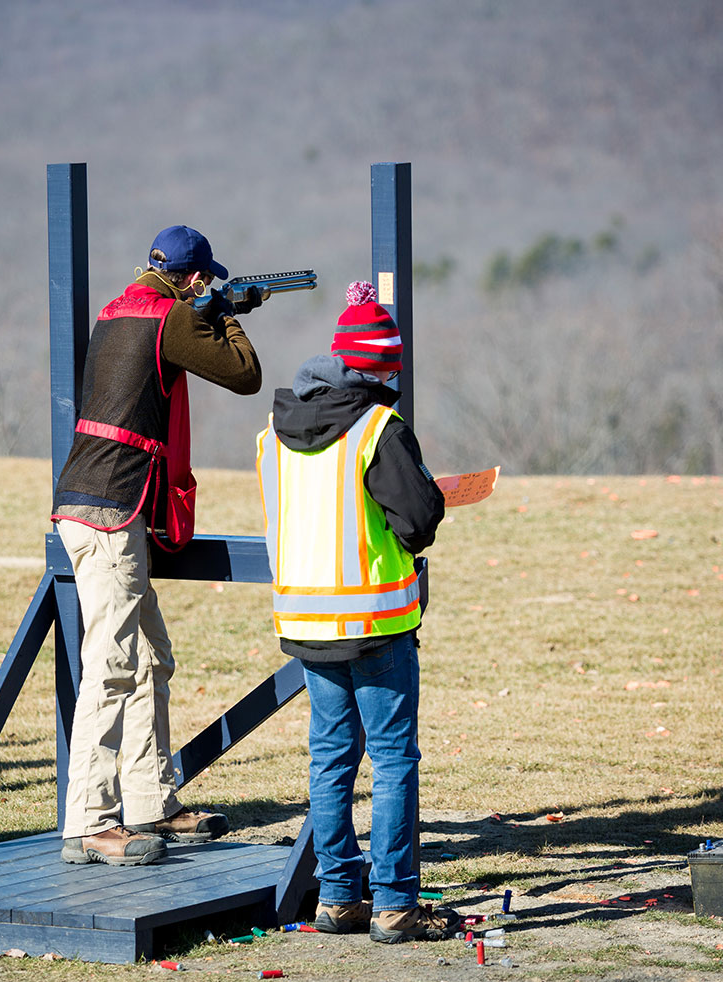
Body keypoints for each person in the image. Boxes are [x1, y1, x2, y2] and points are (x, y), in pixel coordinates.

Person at [52, 226, 260, 866]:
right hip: (113, 509)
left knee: (150, 658)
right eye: (207, 282)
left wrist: (210, 309)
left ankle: (150, 800)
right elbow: (246, 374)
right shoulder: (172, 319)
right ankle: (91, 820)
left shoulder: (118, 312)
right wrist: (225, 318)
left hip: (99, 502)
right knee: (113, 665)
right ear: (194, 279)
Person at [255, 281, 455, 943]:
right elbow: (416, 523)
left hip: (306, 624)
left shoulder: (275, 433)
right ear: (381, 370)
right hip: (374, 623)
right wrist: (433, 495)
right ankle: (396, 902)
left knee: (331, 758)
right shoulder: (378, 429)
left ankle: (339, 897)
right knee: (393, 759)